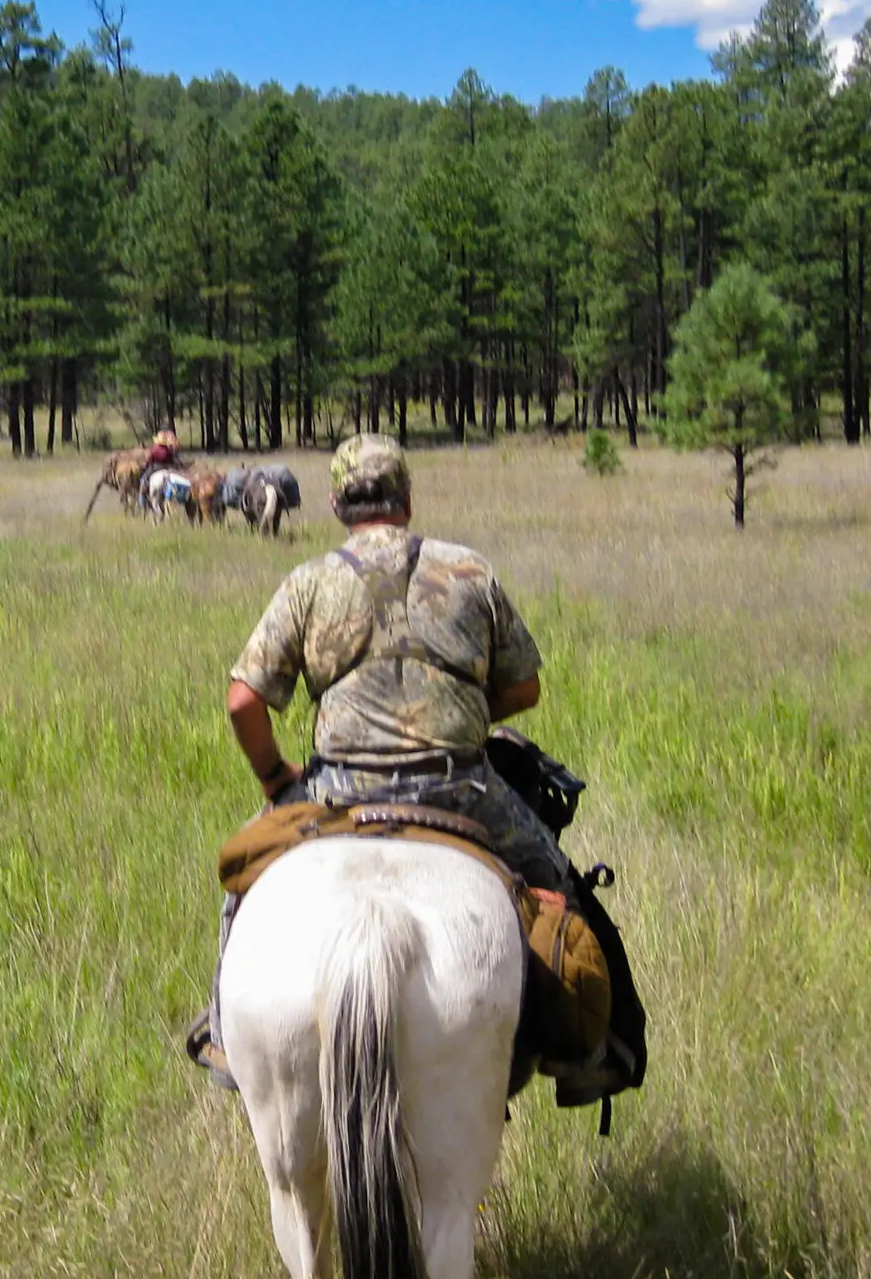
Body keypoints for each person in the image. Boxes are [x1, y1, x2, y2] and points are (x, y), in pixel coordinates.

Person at [189, 432, 637, 1105]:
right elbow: (524, 691)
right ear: (407, 498)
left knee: (241, 888)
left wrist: (276, 780)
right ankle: (595, 1051)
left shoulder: (309, 580)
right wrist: (455, 710)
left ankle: (225, 1031)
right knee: (559, 884)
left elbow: (243, 700)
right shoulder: (468, 570)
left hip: (336, 789)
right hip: (460, 785)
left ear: (338, 502)